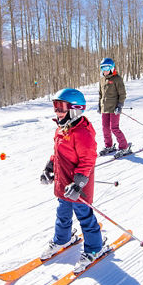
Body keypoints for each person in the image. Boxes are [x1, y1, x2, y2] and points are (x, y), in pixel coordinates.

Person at [40, 88, 107, 273]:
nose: (57, 111)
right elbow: (58, 153)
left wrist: (79, 184)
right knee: (62, 213)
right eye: (55, 106)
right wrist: (50, 167)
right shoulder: (62, 128)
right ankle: (63, 238)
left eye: (61, 107)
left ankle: (95, 248)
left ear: (75, 109)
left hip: (77, 186)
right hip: (63, 182)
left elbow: (88, 159)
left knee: (84, 216)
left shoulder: (82, 133)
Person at [98, 57, 131, 158]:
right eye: (103, 68)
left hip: (114, 108)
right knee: (105, 128)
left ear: (112, 68)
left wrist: (119, 106)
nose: (105, 70)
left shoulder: (117, 79)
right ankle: (109, 146)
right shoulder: (102, 79)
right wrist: (100, 106)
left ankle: (124, 147)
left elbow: (122, 94)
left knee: (114, 128)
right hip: (105, 108)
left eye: (107, 68)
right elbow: (100, 94)